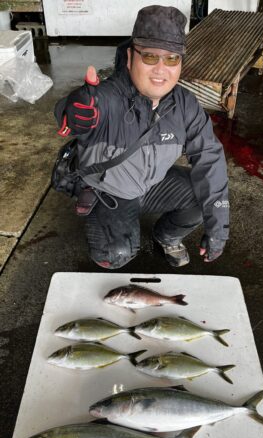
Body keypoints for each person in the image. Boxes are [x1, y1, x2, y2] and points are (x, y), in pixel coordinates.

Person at [54, 4, 229, 269]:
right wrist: (74, 109)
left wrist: (219, 228)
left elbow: (210, 158)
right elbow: (77, 108)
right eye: (149, 57)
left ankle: (167, 236)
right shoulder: (108, 97)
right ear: (129, 57)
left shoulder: (185, 104)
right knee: (116, 254)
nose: (161, 68)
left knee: (205, 197)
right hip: (111, 191)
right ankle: (108, 232)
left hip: (152, 186)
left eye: (172, 59)